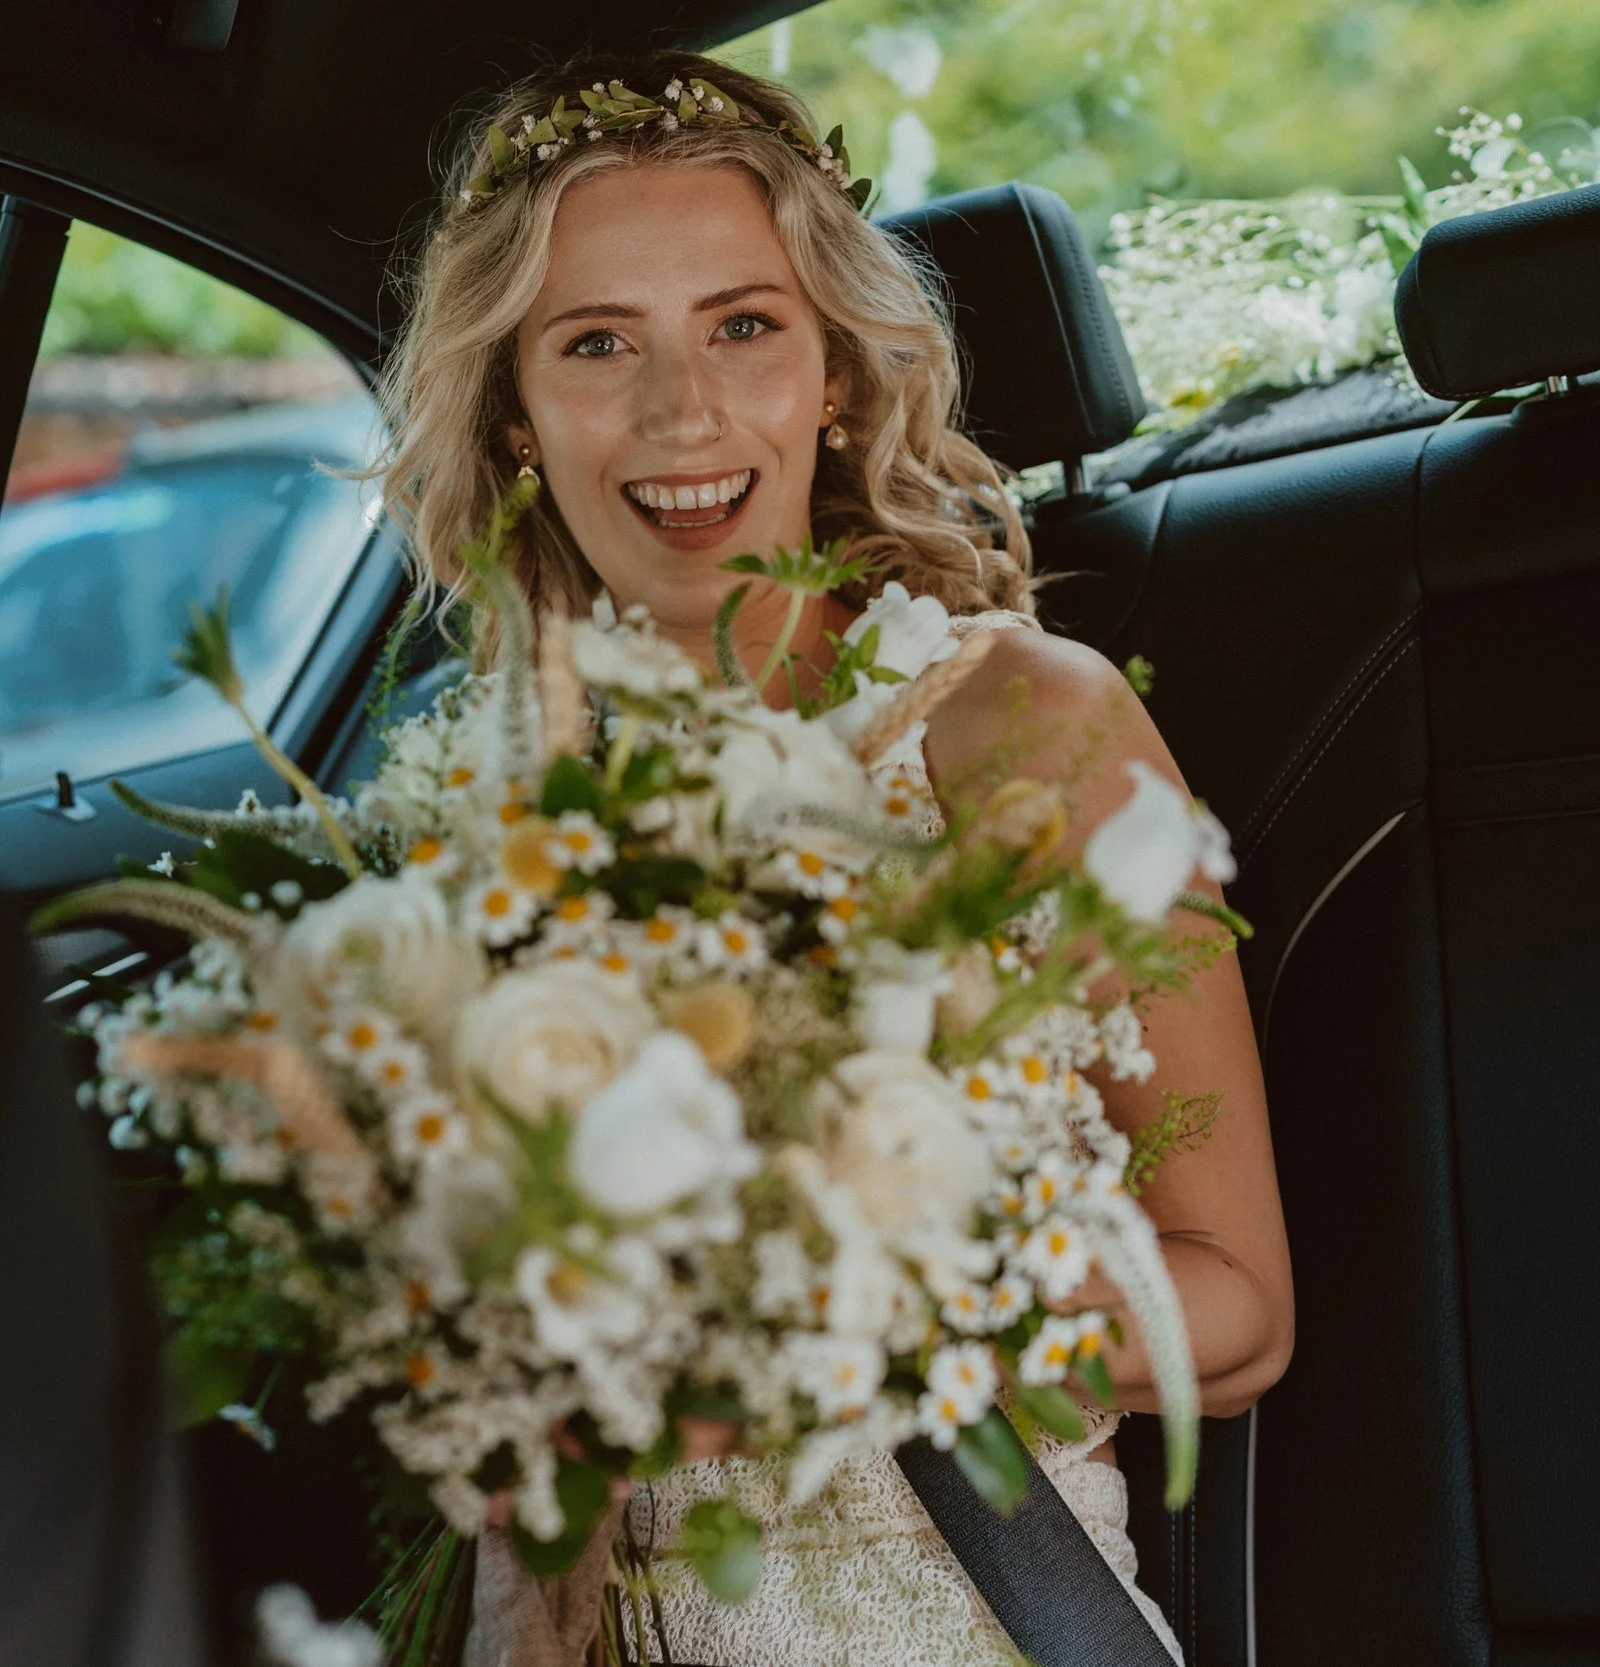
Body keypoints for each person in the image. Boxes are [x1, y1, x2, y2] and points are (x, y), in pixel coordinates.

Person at [373, 49, 1293, 1666]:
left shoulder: (1023, 730)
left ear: (839, 377)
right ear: (514, 410)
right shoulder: (476, 803)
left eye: (744, 326)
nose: (683, 412)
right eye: (599, 343)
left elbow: (1237, 1305)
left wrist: (846, 1333)